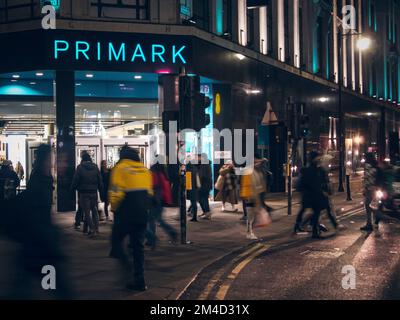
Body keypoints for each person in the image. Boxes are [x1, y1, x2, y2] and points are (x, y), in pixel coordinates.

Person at [10, 144, 72, 298]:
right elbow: (38, 218)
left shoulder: (41, 179)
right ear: (46, 160)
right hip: (40, 249)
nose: (60, 164)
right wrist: (52, 244)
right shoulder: (40, 183)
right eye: (56, 159)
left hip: (35, 248)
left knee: (28, 287)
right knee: (57, 288)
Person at [109, 146, 153, 291]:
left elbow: (116, 192)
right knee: (138, 248)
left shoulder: (120, 168)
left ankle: (127, 269)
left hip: (125, 213)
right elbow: (150, 193)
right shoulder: (145, 170)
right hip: (141, 215)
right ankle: (140, 281)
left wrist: (113, 208)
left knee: (115, 243)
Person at [295, 151, 336, 239]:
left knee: (316, 212)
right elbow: (308, 183)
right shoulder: (313, 170)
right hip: (313, 195)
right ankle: (313, 230)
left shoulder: (316, 170)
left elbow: (323, 182)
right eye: (318, 158)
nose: (319, 159)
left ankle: (311, 229)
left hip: (315, 195)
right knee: (316, 212)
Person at [145, 158, 177, 248]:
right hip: (160, 200)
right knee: (158, 220)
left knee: (151, 220)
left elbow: (151, 187)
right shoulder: (162, 173)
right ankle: (171, 232)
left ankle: (152, 239)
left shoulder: (154, 173)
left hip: (154, 200)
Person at [71, 152, 103, 237]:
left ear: (82, 159)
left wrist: (72, 189)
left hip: (84, 193)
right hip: (94, 192)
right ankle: (96, 228)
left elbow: (75, 180)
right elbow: (100, 180)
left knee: (87, 213)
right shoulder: (95, 167)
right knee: (94, 210)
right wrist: (101, 190)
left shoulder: (80, 168)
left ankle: (92, 229)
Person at [360, 153, 383, 232]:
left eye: (365, 157)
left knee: (368, 206)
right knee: (372, 205)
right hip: (375, 189)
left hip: (370, 189)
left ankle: (373, 220)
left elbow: (367, 179)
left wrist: (365, 189)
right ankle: (373, 221)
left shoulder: (367, 167)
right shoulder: (376, 167)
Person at [198, 153, 213, 220]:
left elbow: (202, 175)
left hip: (204, 185)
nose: (198, 159)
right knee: (203, 199)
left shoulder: (204, 164)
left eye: (199, 157)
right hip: (206, 184)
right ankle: (206, 212)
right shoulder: (206, 164)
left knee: (203, 199)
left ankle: (207, 213)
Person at [186, 155, 201, 222]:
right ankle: (194, 216)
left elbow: (188, 180)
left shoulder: (188, 169)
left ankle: (194, 217)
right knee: (194, 202)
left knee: (193, 202)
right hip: (195, 188)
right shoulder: (195, 168)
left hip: (191, 188)